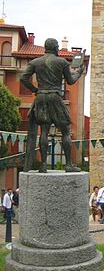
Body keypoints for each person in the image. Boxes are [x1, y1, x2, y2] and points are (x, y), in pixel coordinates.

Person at [21, 38, 84, 173]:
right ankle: (68, 164)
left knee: (44, 131)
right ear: (55, 47)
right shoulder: (61, 62)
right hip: (55, 96)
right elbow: (71, 81)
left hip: (41, 97)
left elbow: (23, 78)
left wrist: (35, 90)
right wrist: (78, 72)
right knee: (66, 130)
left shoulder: (35, 62)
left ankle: (43, 164)